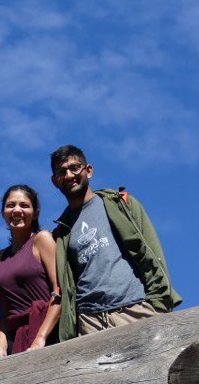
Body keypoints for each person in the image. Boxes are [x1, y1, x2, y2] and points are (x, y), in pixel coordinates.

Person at [49, 144, 181, 340]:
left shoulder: (120, 204)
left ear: (89, 171)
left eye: (74, 168)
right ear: (55, 181)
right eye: (62, 172)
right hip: (89, 322)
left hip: (134, 309)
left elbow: (152, 252)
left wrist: (158, 303)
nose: (69, 175)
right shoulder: (61, 231)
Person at [0, 184, 61, 356]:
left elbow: (59, 291)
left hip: (49, 332)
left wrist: (41, 337)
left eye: (24, 205)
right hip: (14, 341)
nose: (17, 210)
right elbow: (4, 311)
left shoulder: (42, 240)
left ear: (35, 212)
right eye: (11, 205)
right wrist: (0, 344)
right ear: (3, 213)